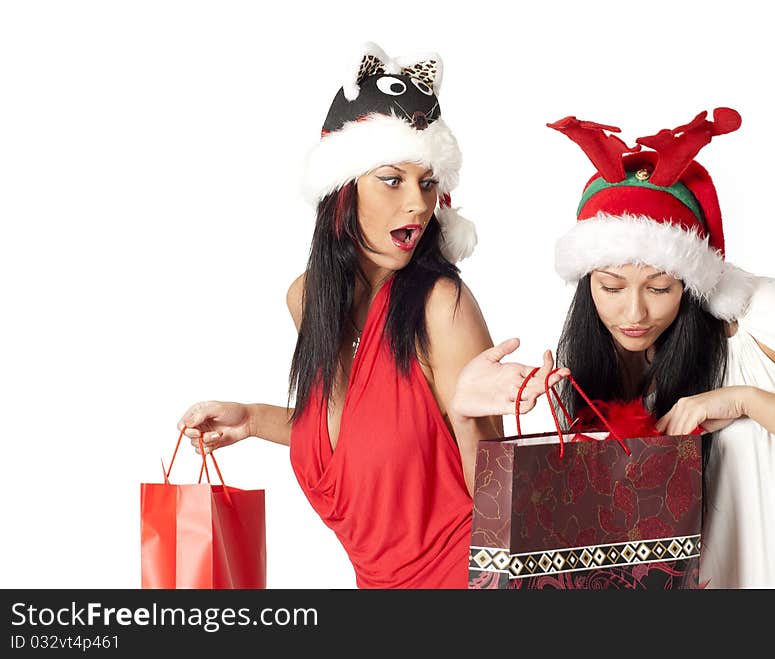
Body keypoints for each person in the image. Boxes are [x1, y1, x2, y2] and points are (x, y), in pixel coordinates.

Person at [176, 42, 563, 589]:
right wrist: (254, 420)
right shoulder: (308, 298)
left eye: (428, 183)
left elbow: (499, 508)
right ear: (342, 188)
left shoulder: (441, 306)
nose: (417, 204)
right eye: (392, 179)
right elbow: (360, 438)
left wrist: (471, 416)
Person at [458, 108, 775, 588]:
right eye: (611, 288)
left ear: (692, 281)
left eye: (659, 288)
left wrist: (746, 401)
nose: (634, 314)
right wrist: (497, 417)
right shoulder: (610, 360)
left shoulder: (762, 314)